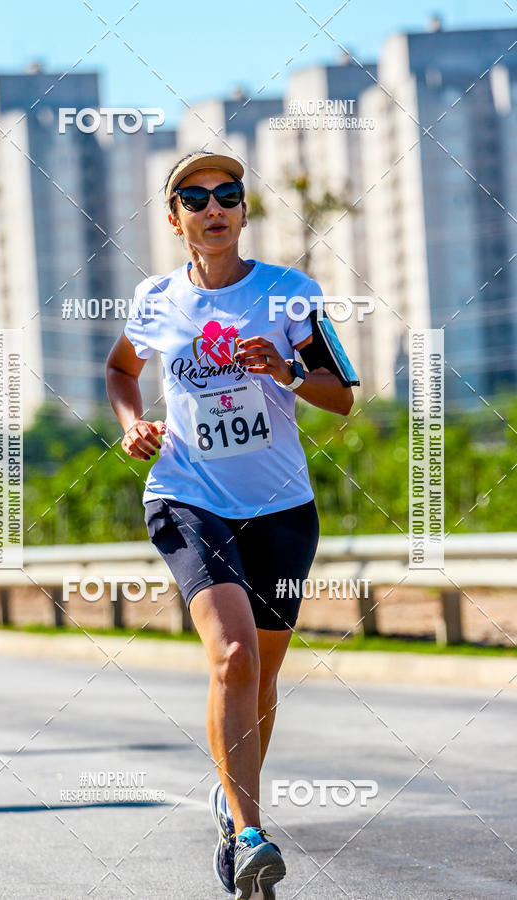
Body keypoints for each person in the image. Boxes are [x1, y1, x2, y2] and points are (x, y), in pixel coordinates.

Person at [106, 150, 355, 899]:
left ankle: (229, 795)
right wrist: (132, 424)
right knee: (234, 656)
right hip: (188, 498)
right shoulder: (155, 300)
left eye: (228, 194)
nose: (213, 206)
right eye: (195, 196)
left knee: (264, 674)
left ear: (244, 212)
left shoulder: (288, 294)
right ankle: (247, 833)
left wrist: (283, 373)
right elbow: (122, 369)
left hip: (282, 511)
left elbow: (342, 395)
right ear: (175, 218)